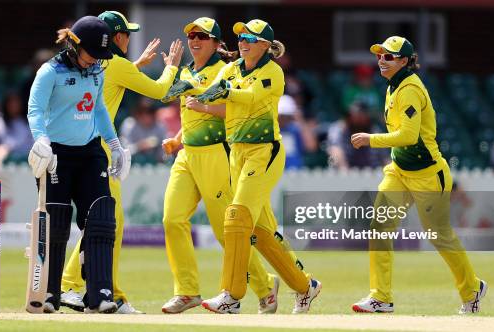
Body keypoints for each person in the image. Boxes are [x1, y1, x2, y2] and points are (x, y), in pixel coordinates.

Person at [187, 19, 321, 314]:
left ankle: (231, 296)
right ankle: (305, 286)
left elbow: (249, 97)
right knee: (259, 231)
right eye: (240, 37)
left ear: (264, 44)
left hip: (264, 152)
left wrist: (221, 92)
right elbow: (210, 86)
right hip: (237, 151)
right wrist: (185, 85)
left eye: (249, 37)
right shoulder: (232, 68)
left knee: (235, 217)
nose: (242, 41)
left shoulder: (273, 71)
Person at [350, 36, 487, 314]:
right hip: (399, 171)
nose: (381, 60)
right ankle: (381, 297)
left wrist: (370, 139)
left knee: (440, 236)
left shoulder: (410, 88)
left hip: (427, 174)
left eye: (388, 56)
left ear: (404, 61)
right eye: (380, 55)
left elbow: (410, 136)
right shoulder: (394, 86)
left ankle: (472, 289)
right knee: (379, 228)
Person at [59, 10, 183, 314]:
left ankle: (85, 288)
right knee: (108, 222)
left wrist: (136, 66)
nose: (130, 37)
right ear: (117, 37)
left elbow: (111, 82)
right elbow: (161, 92)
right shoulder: (116, 65)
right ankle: (96, 291)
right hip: (100, 151)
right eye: (127, 33)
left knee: (99, 221)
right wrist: (171, 68)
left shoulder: (94, 62)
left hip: (81, 146)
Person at [159, 17, 285, 314]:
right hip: (188, 154)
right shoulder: (188, 70)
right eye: (191, 35)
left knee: (226, 231)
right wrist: (177, 139)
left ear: (216, 43)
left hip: (217, 154)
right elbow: (187, 112)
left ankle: (265, 286)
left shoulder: (225, 70)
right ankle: (187, 291)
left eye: (202, 36)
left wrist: (204, 104)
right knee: (172, 220)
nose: (195, 41)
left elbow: (235, 109)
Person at [26, 15, 132, 314]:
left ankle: (100, 295)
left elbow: (99, 110)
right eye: (92, 54)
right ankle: (48, 293)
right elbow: (35, 108)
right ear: (75, 46)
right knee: (56, 223)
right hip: (56, 154)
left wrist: (114, 145)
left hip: (90, 153)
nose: (96, 61)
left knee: (101, 219)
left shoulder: (97, 70)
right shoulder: (50, 71)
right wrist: (41, 139)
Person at [327, 101, 387, 170]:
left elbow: (385, 158)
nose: (358, 119)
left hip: (372, 173)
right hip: (346, 173)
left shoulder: (374, 131)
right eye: (356, 116)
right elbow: (335, 149)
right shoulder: (339, 129)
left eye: (362, 116)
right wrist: (345, 173)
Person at [119, 98, 167, 165]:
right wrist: (139, 146)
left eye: (150, 111)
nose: (147, 115)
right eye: (143, 111)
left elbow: (164, 152)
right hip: (133, 164)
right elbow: (124, 150)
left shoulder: (160, 126)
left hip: (155, 165)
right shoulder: (129, 124)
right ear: (137, 112)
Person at [0, 92, 34, 163]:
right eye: (11, 103)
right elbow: (6, 141)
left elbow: (32, 141)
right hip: (7, 154)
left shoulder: (27, 121)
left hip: (26, 154)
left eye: (16, 102)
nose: (14, 105)